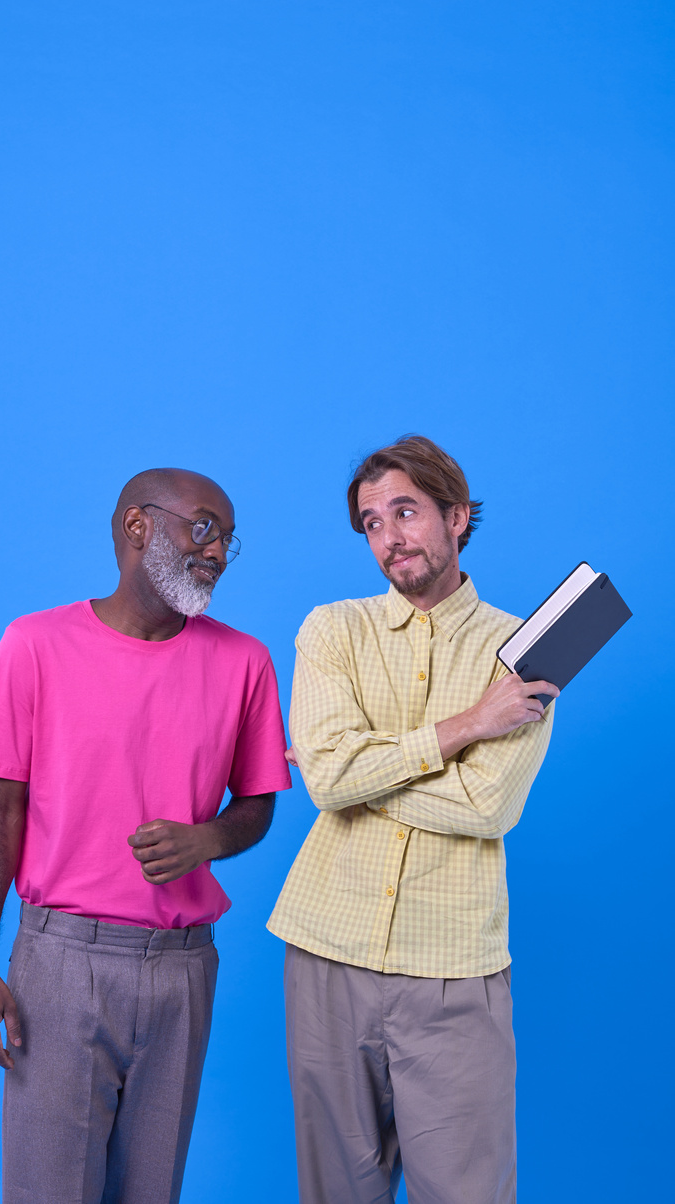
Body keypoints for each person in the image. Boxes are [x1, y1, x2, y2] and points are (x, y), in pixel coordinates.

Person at [0, 467, 291, 1204]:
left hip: (182, 969)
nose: (217, 552)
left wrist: (206, 841)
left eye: (229, 539)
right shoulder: (34, 644)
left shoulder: (244, 662)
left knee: (150, 1191)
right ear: (137, 526)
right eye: (203, 527)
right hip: (61, 964)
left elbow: (258, 803)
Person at [268, 435, 559, 1204]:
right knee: (335, 1192)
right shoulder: (332, 631)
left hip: (454, 967)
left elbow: (486, 804)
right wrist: (464, 727)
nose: (389, 537)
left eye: (406, 511)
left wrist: (352, 772)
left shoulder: (523, 650)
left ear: (457, 517)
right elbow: (329, 780)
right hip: (327, 953)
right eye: (370, 522)